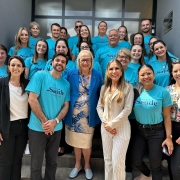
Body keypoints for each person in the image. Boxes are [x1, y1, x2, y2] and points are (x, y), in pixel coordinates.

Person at [26, 52, 70, 180]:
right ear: (52, 62)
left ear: (65, 66)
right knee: (36, 164)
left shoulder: (66, 84)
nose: (60, 63)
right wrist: (46, 122)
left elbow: (66, 106)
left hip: (56, 129)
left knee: (52, 162)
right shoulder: (40, 76)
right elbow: (32, 99)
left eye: (63, 61)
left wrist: (55, 121)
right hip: (37, 129)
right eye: (57, 60)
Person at [64, 50, 102, 180]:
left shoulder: (97, 75)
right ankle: (77, 164)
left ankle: (87, 165)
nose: (85, 62)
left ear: (92, 61)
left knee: (86, 143)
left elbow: (100, 94)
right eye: (82, 60)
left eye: (88, 59)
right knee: (76, 142)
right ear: (78, 61)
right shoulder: (70, 73)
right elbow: (63, 88)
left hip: (88, 116)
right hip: (72, 114)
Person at [131, 64, 173, 180]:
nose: (146, 76)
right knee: (136, 160)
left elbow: (167, 116)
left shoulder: (163, 92)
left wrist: (168, 137)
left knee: (156, 165)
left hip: (157, 132)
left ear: (154, 74)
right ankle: (147, 175)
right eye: (142, 74)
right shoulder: (135, 91)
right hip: (139, 131)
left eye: (149, 73)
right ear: (139, 77)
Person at [96, 59, 134, 180]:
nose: (114, 71)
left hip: (121, 129)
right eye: (111, 69)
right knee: (108, 161)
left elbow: (127, 109)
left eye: (117, 68)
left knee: (118, 162)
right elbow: (99, 106)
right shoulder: (104, 88)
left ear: (121, 71)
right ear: (107, 72)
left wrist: (112, 124)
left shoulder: (128, 87)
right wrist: (106, 123)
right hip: (105, 127)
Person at [0, 55, 29, 180]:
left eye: (18, 65)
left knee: (18, 160)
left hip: (23, 128)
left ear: (23, 69)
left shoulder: (28, 84)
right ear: (8, 67)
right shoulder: (1, 83)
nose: (15, 68)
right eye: (13, 65)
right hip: (7, 127)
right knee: (5, 161)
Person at [166, 60, 180, 180]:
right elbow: (166, 114)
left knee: (177, 168)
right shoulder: (168, 90)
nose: (178, 73)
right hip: (171, 129)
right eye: (175, 71)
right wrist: (169, 136)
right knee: (172, 164)